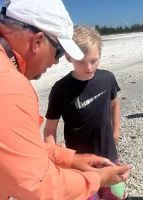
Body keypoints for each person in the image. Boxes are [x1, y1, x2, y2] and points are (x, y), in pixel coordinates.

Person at [0, 0, 131, 199]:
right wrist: (97, 179)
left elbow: (22, 151)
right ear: (37, 41)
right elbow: (37, 185)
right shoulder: (11, 88)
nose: (55, 61)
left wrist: (72, 159)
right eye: (59, 51)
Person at [43, 25, 126, 200]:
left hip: (109, 155)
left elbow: (114, 105)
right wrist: (53, 157)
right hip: (79, 163)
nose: (88, 67)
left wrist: (116, 132)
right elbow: (50, 129)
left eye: (94, 60)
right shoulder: (61, 89)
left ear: (100, 55)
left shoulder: (107, 79)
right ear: (68, 56)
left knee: (117, 196)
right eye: (81, 61)